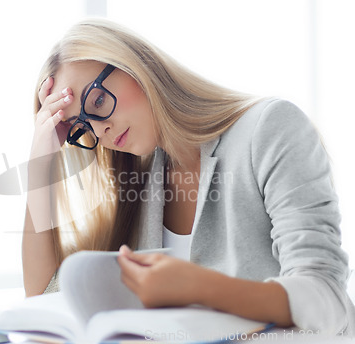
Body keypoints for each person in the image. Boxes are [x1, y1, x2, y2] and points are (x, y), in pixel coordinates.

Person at [22, 18, 355, 335]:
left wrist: (199, 287)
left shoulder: (269, 128)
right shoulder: (137, 181)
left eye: (97, 100)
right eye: (82, 127)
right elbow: (43, 296)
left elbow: (326, 298)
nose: (101, 129)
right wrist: (41, 163)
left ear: (136, 64)